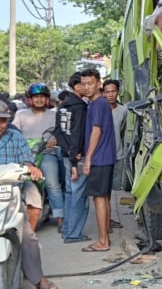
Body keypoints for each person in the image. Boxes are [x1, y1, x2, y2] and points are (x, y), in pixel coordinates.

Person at [0, 101, 58, 289]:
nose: (1, 125)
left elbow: (27, 158)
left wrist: (31, 168)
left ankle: (38, 279)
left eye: (3, 121)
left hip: (12, 191)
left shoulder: (14, 137)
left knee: (27, 236)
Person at [13, 82, 64, 232]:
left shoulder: (53, 115)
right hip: (26, 155)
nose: (39, 100)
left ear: (47, 99)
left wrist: (54, 140)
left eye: (42, 97)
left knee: (52, 184)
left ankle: (60, 215)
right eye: (36, 97)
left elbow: (58, 133)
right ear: (30, 99)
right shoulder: (21, 115)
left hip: (47, 153)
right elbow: (14, 132)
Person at [81, 68, 117, 252]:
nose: (86, 87)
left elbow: (96, 131)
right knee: (103, 198)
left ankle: (103, 241)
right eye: (84, 84)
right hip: (105, 157)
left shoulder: (98, 104)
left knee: (99, 199)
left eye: (90, 83)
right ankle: (105, 237)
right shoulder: (99, 104)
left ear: (98, 83)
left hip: (100, 158)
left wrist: (88, 158)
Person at [53, 72, 90, 243]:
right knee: (78, 194)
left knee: (70, 192)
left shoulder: (63, 105)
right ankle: (73, 234)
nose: (87, 87)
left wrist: (67, 152)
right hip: (76, 156)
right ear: (76, 86)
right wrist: (75, 160)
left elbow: (59, 132)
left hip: (65, 154)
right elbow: (77, 134)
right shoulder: (79, 106)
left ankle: (67, 230)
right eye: (84, 84)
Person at [103, 80, 127, 231]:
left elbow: (124, 131)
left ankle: (107, 218)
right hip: (102, 156)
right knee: (103, 191)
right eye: (107, 92)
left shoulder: (124, 110)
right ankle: (105, 222)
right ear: (103, 93)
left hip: (117, 154)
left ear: (118, 92)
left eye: (113, 91)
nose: (110, 95)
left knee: (110, 190)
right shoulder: (99, 109)